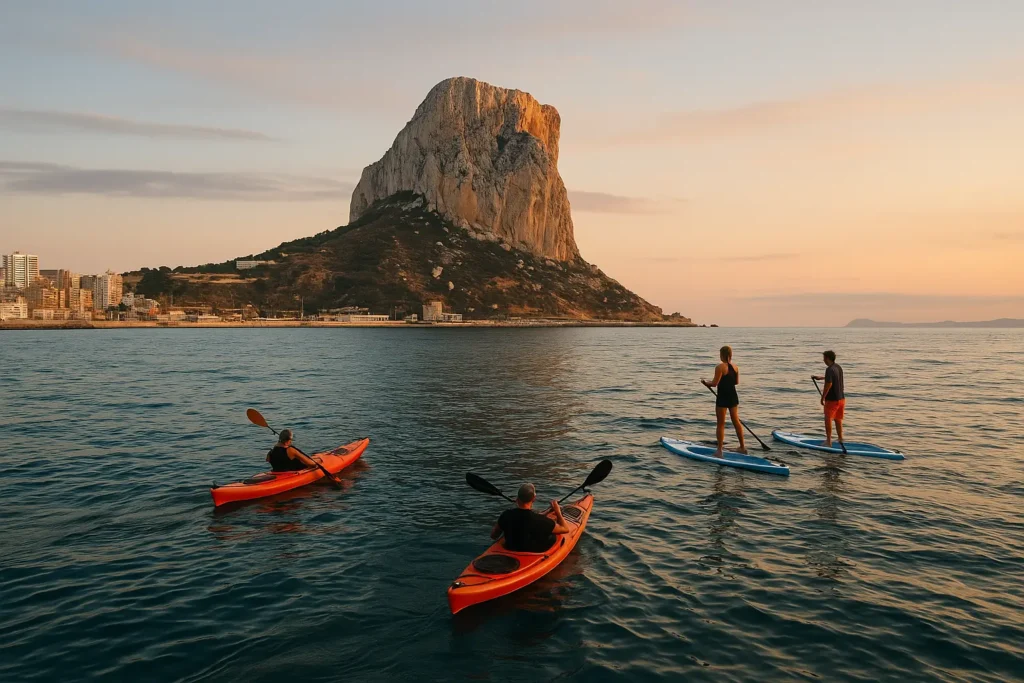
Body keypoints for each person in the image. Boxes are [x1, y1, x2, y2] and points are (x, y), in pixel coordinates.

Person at [491, 483, 571, 552]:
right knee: (553, 536)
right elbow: (565, 529)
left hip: (510, 548)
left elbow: (494, 536)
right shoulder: (541, 521)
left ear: (517, 499)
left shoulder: (506, 515)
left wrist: (546, 513)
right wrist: (557, 511)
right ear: (533, 499)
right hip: (534, 552)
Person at [701, 345, 747, 457]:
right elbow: (736, 382)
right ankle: (742, 447)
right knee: (736, 421)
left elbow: (715, 383)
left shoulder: (719, 367)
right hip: (733, 396)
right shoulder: (735, 367)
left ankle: (719, 451)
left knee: (720, 423)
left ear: (722, 355)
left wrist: (706, 383)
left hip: (723, 397)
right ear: (730, 355)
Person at [812, 350, 845, 448]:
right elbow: (832, 378)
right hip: (841, 399)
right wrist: (820, 378)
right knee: (838, 419)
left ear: (827, 358)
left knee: (828, 419)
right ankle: (840, 438)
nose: (823, 360)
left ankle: (828, 441)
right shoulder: (838, 367)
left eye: (824, 358)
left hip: (832, 400)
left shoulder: (829, 369)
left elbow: (829, 384)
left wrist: (823, 397)